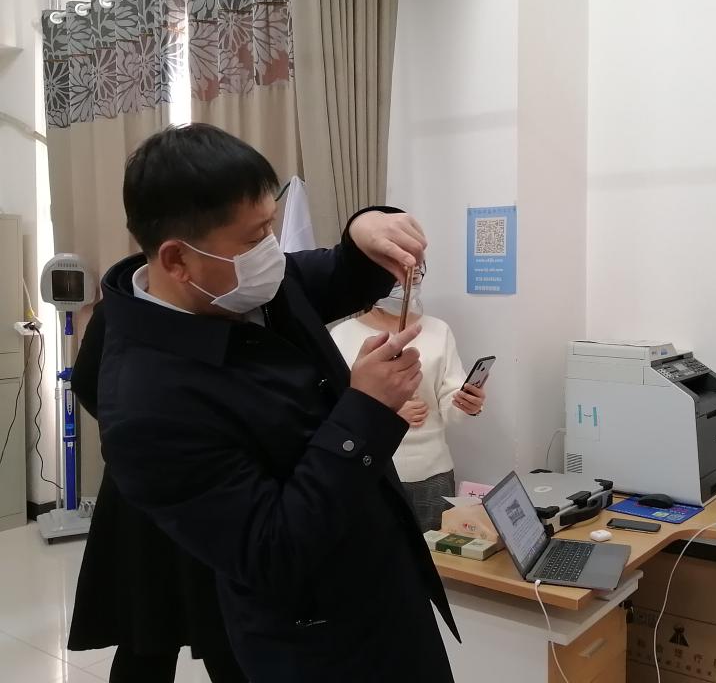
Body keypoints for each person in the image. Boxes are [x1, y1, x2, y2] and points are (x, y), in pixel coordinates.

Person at [94, 124, 457, 682]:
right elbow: (272, 549)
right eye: (254, 236)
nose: (271, 249)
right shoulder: (146, 406)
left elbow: (341, 270)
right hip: (316, 639)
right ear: (177, 260)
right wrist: (365, 411)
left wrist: (366, 224)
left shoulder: (243, 286)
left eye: (271, 224)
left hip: (382, 580)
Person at [68, 301, 246, 683]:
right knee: (164, 636)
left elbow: (86, 380)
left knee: (168, 632)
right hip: (164, 491)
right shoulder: (121, 308)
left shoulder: (237, 303)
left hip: (191, 489)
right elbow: (87, 379)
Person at [331, 263, 487, 532]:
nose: (408, 285)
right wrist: (386, 415)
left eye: (416, 275)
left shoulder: (438, 330)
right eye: (398, 276)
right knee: (377, 554)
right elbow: (334, 410)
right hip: (370, 472)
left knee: (435, 556)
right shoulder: (342, 335)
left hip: (433, 472)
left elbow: (450, 402)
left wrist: (467, 404)